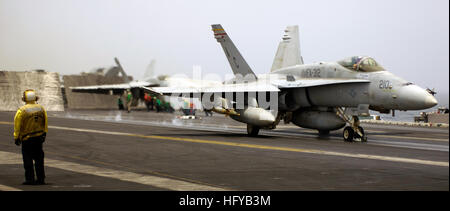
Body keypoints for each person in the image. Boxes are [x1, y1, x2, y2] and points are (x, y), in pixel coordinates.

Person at [14, 89, 48, 185]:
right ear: (35, 98)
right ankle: (41, 179)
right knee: (39, 160)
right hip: (38, 138)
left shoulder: (22, 110)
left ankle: (30, 179)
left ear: (24, 99)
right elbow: (45, 121)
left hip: (27, 139)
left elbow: (17, 125)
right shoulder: (41, 108)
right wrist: (44, 133)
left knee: (27, 159)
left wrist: (16, 137)